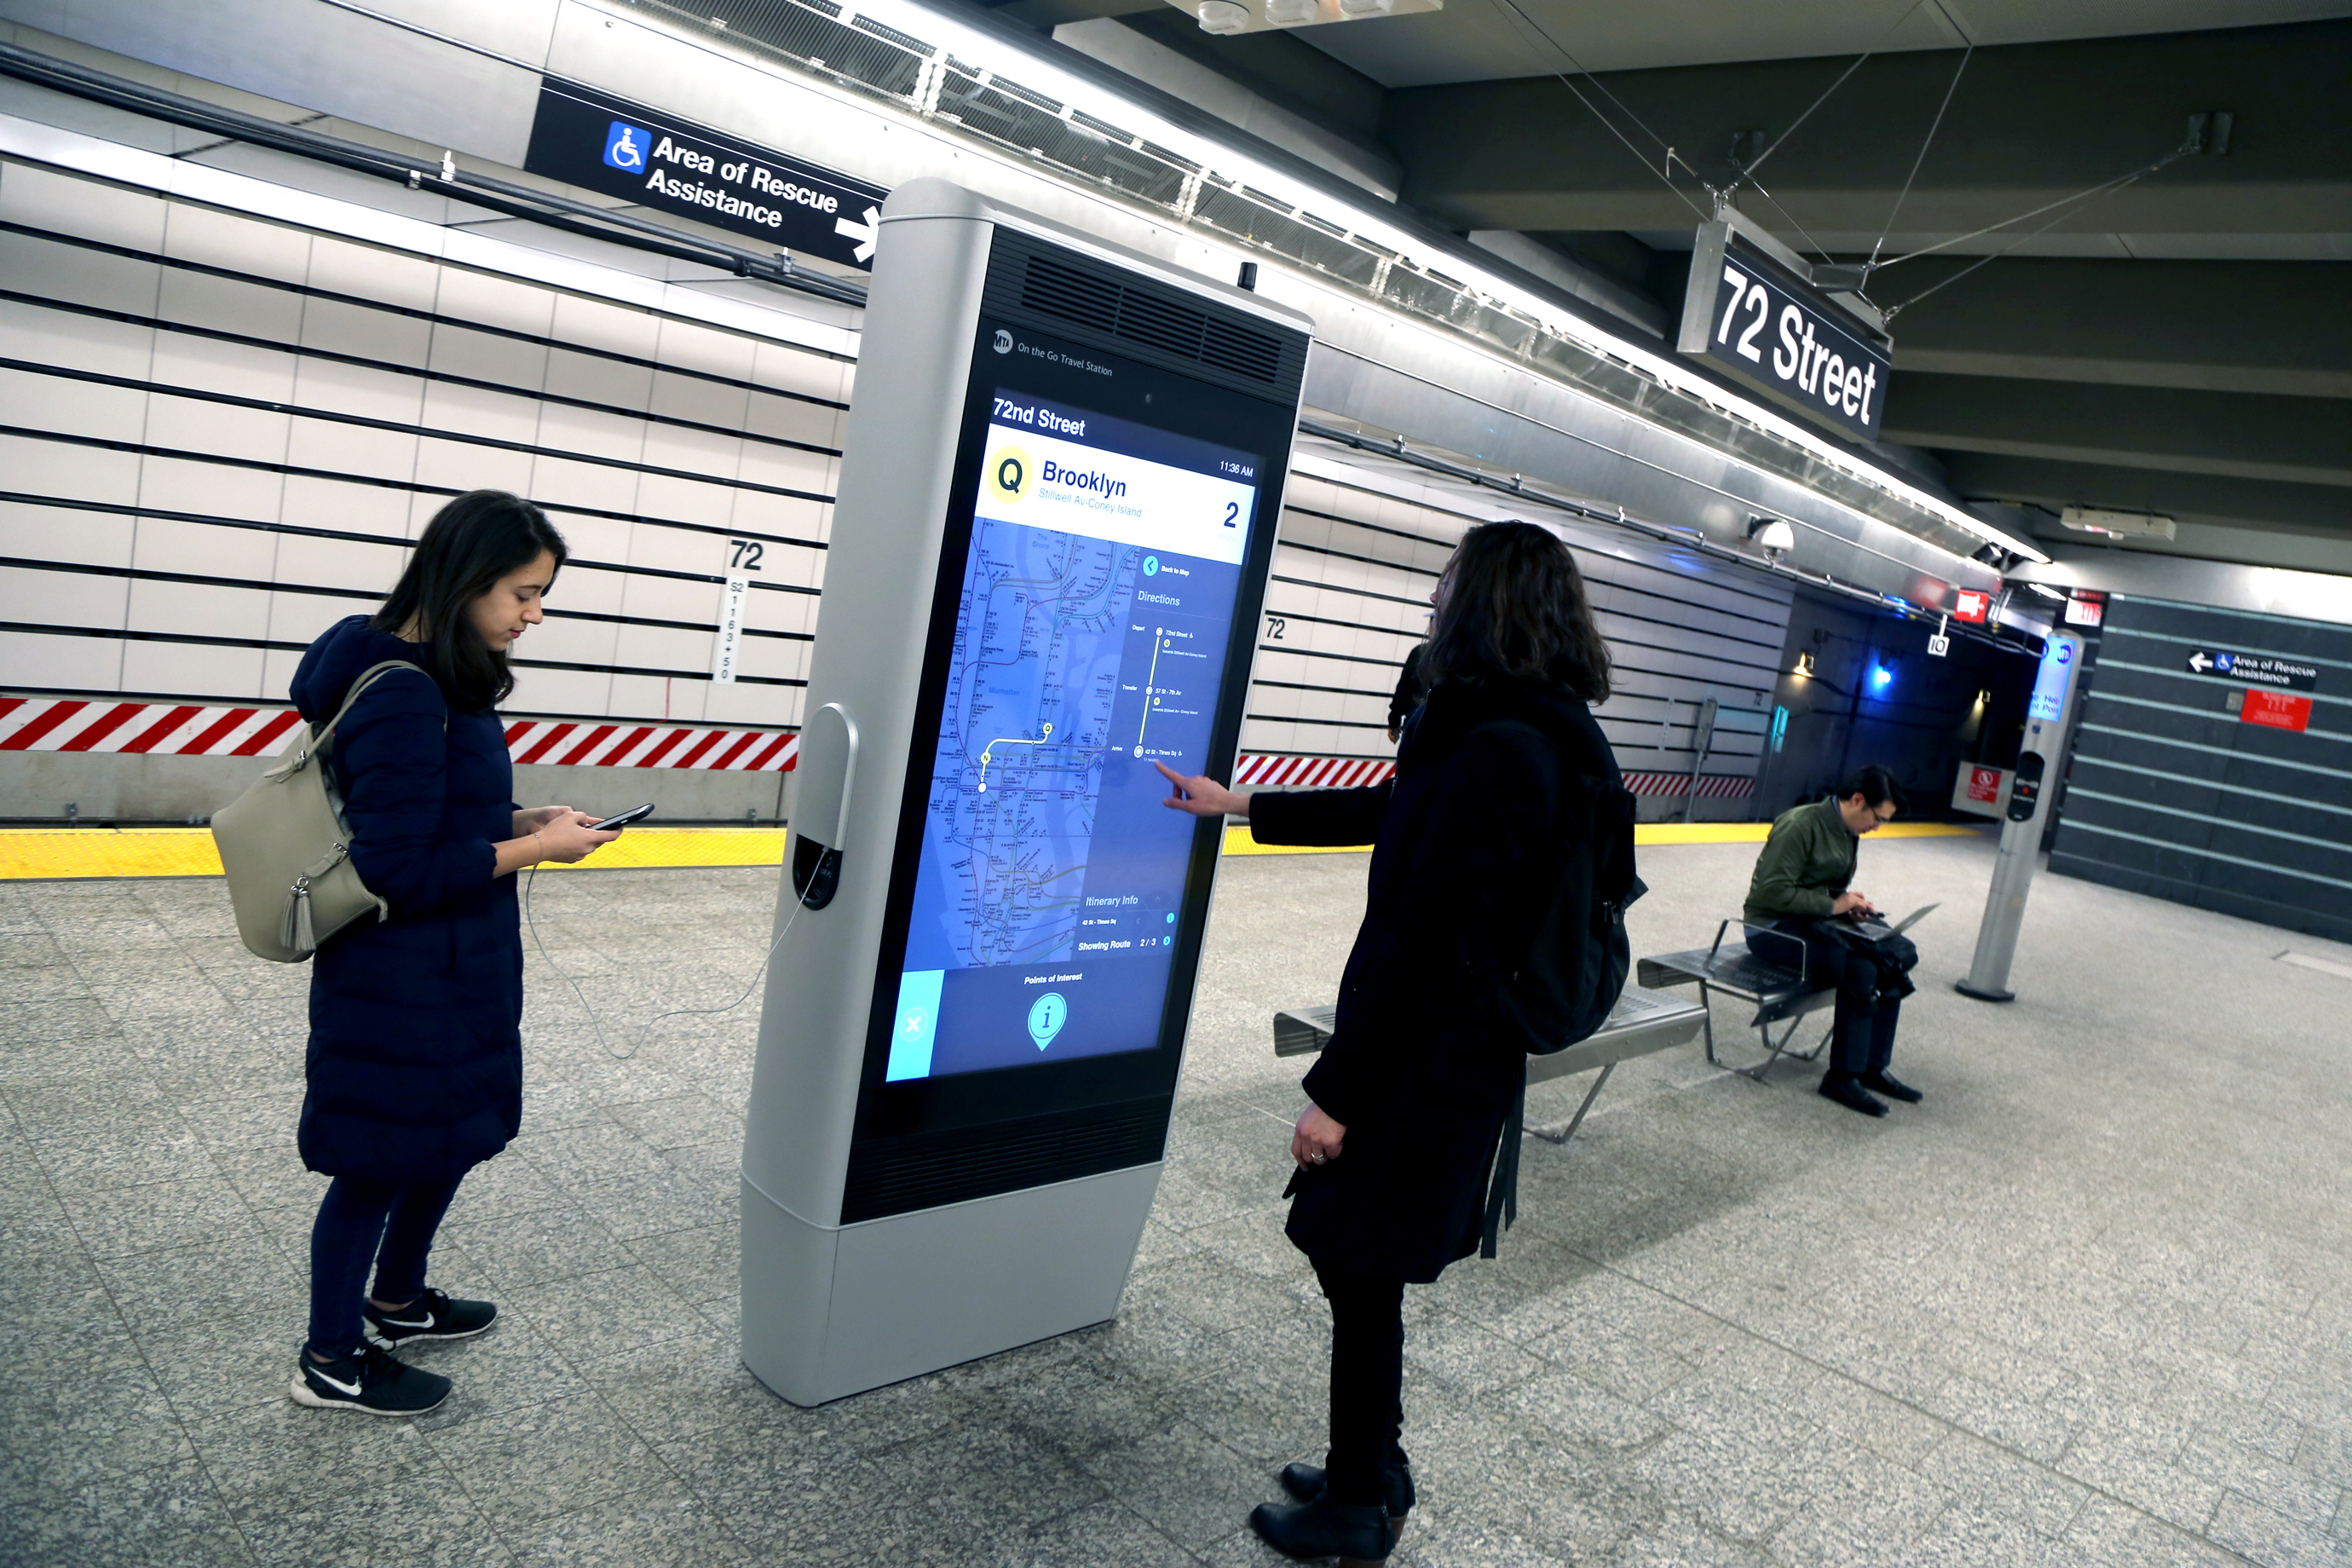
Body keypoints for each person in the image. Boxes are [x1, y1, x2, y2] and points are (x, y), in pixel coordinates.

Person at [1156, 520, 1622, 1564]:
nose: (1434, 599)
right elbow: (1401, 810)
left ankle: (1362, 1502)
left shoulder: (1505, 749)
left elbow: (1426, 948)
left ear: (1485, 604)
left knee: (1356, 1257)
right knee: (1354, 1259)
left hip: (1434, 1059)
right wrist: (1241, 805)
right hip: (1450, 1049)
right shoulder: (1515, 726)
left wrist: (1339, 1094)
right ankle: (1375, 1463)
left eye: (1450, 583)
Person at [286, 490, 618, 1416]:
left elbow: (442, 818)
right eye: (522, 592)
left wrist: (526, 819)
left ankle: (397, 1299)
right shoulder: (400, 690)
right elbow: (397, 867)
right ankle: (331, 1358)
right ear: (466, 577)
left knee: (451, 1137)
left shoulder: (437, 671)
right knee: (377, 1158)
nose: (533, 614)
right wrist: (535, 851)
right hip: (400, 974)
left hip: (458, 962)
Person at [1742, 764, 1921, 1117]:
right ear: (1857, 801)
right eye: (1878, 818)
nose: (1876, 827)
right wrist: (1834, 904)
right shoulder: (1799, 825)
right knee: (1861, 970)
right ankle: (1842, 1077)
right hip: (1772, 929)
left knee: (1898, 955)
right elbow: (1772, 892)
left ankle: (1872, 1067)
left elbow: (1828, 888)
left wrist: (1849, 907)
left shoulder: (1846, 830)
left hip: (1815, 923)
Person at [1385, 642, 1427, 744]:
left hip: (1418, 720)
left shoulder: (1422, 652)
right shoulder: (1465, 656)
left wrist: (1394, 718)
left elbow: (1405, 687)